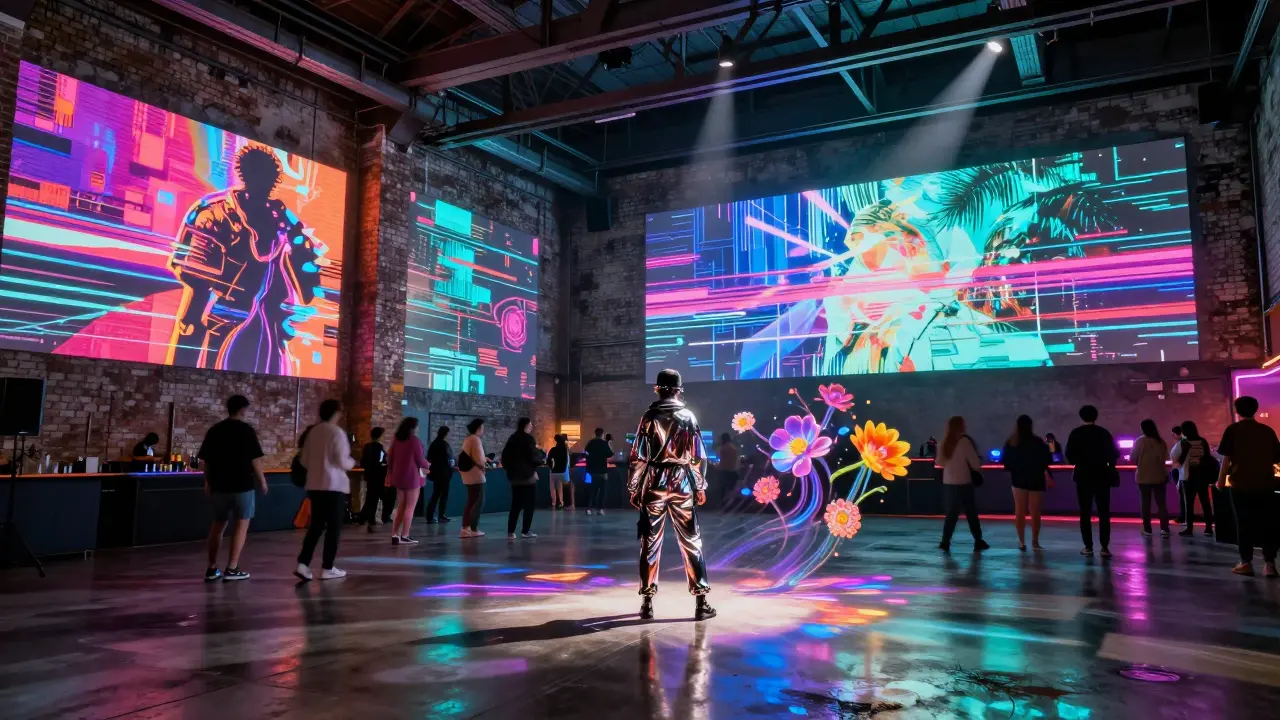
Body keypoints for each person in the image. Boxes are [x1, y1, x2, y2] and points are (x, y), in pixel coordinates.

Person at [629, 369, 715, 621]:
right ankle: (701, 602)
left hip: (653, 482)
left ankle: (647, 603)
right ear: (679, 390)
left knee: (649, 542)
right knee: (691, 540)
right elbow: (698, 456)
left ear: (657, 389)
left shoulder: (649, 417)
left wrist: (634, 487)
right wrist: (700, 486)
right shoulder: (688, 417)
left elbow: (638, 457)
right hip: (682, 483)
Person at [197, 395, 267, 581]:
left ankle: (212, 568)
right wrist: (262, 480)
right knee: (241, 525)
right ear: (243, 409)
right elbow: (255, 459)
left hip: (219, 485)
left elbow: (207, 461)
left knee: (218, 525)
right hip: (242, 485)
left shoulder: (215, 430)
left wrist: (207, 482)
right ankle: (232, 568)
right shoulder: (247, 431)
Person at [1216, 395, 1280, 577]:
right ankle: (1269, 565)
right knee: (1268, 523)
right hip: (1265, 484)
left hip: (1241, 485)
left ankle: (1246, 563)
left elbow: (1226, 459)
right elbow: (1276, 458)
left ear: (1237, 411)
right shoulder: (1267, 431)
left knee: (1243, 524)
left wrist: (1221, 480)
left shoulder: (1233, 430)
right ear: (1255, 410)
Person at [294, 400, 355, 581]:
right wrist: (352, 462)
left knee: (316, 526)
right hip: (334, 486)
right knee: (333, 529)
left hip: (315, 486)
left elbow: (304, 460)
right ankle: (327, 567)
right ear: (336, 412)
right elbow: (342, 461)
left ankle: (303, 563)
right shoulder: (336, 432)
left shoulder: (313, 432)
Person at [1066, 405, 1120, 557]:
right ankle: (1104, 547)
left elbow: (1070, 456)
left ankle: (1088, 546)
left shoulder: (1076, 433)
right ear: (1096, 416)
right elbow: (1114, 454)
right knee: (1104, 511)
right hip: (1102, 475)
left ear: (1081, 416)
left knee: (1085, 511)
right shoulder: (1103, 433)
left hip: (1083, 475)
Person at [1001, 415, 1052, 551]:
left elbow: (1006, 462)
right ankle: (1035, 541)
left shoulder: (1012, 442)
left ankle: (1022, 542)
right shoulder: (1038, 441)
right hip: (1036, 479)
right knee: (1035, 512)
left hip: (1018, 479)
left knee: (1019, 511)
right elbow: (1047, 460)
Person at [938, 416, 988, 552]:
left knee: (951, 514)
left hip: (948, 483)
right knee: (971, 513)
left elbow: (939, 462)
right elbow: (975, 463)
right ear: (960, 426)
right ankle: (978, 540)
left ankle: (945, 541)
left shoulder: (943, 442)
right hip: (964, 482)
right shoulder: (964, 442)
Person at [387, 417, 428, 545]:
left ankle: (395, 534)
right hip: (412, 477)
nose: (418, 428)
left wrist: (390, 472)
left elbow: (389, 458)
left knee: (401, 506)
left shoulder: (396, 439)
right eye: (417, 426)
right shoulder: (414, 440)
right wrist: (429, 465)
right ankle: (405, 535)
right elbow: (420, 459)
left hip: (398, 476)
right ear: (412, 428)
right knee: (410, 507)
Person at [502, 417, 540, 539]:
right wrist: (539, 462)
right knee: (529, 505)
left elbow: (504, 457)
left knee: (515, 505)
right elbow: (533, 457)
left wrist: (510, 470)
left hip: (514, 478)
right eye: (530, 424)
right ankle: (525, 531)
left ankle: (510, 532)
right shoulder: (529, 439)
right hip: (528, 477)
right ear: (526, 425)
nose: (532, 426)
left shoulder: (512, 439)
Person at [1176, 420, 1216, 537]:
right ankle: (1208, 528)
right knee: (1205, 502)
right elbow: (1207, 457)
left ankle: (1189, 528)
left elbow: (1181, 459)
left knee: (1189, 503)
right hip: (1202, 475)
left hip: (1189, 476)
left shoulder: (1184, 442)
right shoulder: (1202, 441)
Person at [1132, 419, 1171, 538]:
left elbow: (1133, 458)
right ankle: (1164, 529)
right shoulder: (1161, 441)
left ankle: (1147, 529)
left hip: (1143, 476)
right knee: (1161, 504)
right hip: (1159, 476)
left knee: (1145, 503)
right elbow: (1166, 458)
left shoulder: (1140, 441)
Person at [459, 418, 487, 538]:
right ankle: (470, 529)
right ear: (479, 428)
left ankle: (467, 528)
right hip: (475, 475)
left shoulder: (468, 439)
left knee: (471, 501)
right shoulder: (475, 439)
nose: (483, 429)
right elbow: (479, 459)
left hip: (469, 475)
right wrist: (485, 465)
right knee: (476, 502)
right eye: (482, 427)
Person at [358, 428, 390, 532]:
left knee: (371, 498)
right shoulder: (379, 447)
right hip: (378, 476)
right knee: (377, 498)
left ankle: (363, 518)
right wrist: (385, 466)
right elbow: (380, 462)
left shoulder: (367, 447)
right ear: (380, 436)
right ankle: (372, 520)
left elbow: (363, 462)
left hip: (369, 476)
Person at [425, 426, 454, 523]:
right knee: (443, 495)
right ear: (446, 434)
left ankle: (430, 516)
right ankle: (441, 515)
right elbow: (450, 460)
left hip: (436, 473)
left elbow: (429, 458)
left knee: (435, 494)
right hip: (444, 474)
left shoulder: (433, 444)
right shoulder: (445, 445)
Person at [584, 428, 613, 516]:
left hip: (591, 470)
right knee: (602, 490)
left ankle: (589, 509)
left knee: (592, 490)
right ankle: (600, 509)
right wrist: (609, 443)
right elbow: (610, 454)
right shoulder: (604, 443)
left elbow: (586, 453)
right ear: (602, 434)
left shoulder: (590, 443)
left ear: (595, 434)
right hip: (602, 470)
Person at [714, 433, 741, 507]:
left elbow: (724, 463)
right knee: (728, 490)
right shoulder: (732, 447)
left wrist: (714, 467)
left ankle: (722, 504)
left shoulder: (724, 448)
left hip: (725, 472)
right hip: (732, 472)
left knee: (722, 489)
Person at [547, 434, 571, 509]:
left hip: (554, 472)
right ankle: (561, 502)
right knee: (559, 485)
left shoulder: (553, 449)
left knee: (552, 487)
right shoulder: (565, 450)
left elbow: (548, 460)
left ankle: (554, 503)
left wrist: (551, 467)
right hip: (563, 472)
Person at [1170, 425, 1186, 524]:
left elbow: (1177, 457)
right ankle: (1183, 516)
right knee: (1182, 495)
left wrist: (1176, 463)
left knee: (1182, 495)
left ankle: (1183, 516)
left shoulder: (1182, 444)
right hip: (1179, 470)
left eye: (1173, 434)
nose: (1172, 436)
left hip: (1180, 471)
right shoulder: (1181, 443)